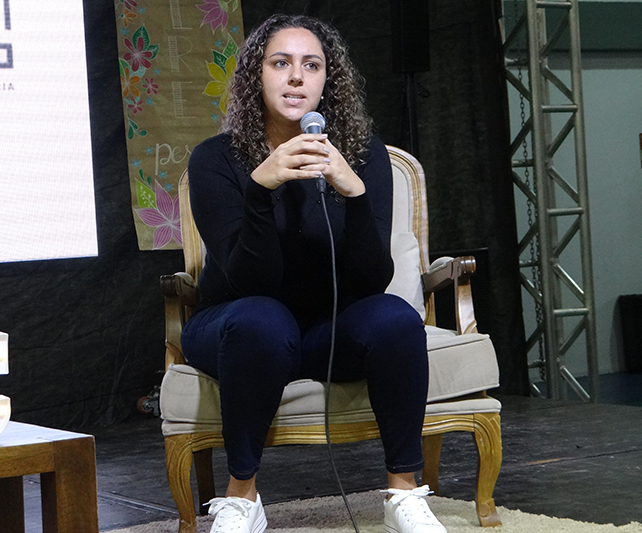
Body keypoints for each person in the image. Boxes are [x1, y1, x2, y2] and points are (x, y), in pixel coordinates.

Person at [183, 13, 446, 533]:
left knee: (395, 317)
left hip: (328, 328)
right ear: (257, 75)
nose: (296, 77)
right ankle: (242, 500)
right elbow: (247, 282)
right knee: (262, 319)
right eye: (280, 63)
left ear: (329, 79)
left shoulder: (363, 155)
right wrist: (260, 189)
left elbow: (370, 281)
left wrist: (356, 194)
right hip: (236, 324)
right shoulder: (216, 159)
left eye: (311, 65)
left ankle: (402, 495)